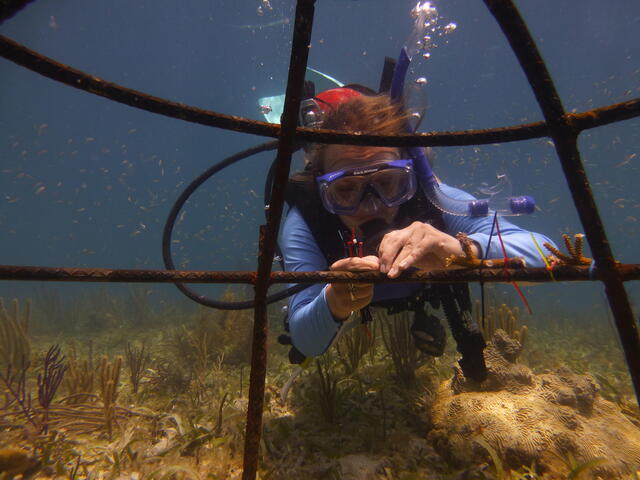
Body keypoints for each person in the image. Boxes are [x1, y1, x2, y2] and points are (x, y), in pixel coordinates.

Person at [280, 86, 556, 378]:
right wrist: (332, 302)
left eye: (388, 183)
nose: (372, 206)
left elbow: (549, 253)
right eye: (346, 190)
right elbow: (305, 340)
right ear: (322, 190)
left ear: (409, 179)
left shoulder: (435, 200)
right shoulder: (306, 222)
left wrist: (464, 251)